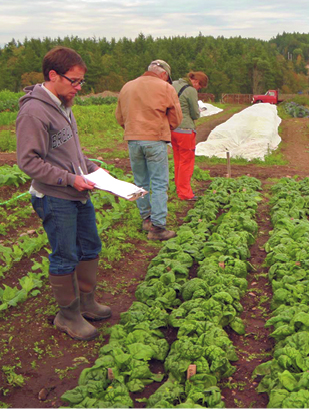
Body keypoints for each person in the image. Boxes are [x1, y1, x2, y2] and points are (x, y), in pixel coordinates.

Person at [16, 46, 111, 341]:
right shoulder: (33, 111)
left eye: (82, 82)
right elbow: (28, 161)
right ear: (53, 75)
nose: (79, 88)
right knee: (65, 254)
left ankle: (87, 302)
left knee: (90, 246)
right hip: (55, 197)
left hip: (76, 192)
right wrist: (70, 179)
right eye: (74, 81)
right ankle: (67, 315)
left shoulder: (63, 104)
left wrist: (93, 170)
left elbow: (70, 152)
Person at [115, 60, 182, 240]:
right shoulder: (166, 88)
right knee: (159, 182)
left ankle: (146, 219)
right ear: (164, 75)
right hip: (155, 139)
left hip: (133, 140)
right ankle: (158, 228)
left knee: (140, 182)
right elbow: (176, 119)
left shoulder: (127, 87)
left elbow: (120, 117)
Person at [171, 71, 209, 201]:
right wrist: (199, 111)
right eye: (200, 86)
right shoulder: (191, 91)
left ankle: (178, 188)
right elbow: (195, 114)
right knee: (186, 162)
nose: (198, 89)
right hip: (185, 129)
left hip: (172, 128)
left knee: (177, 159)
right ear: (197, 82)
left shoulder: (173, 84)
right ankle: (185, 193)